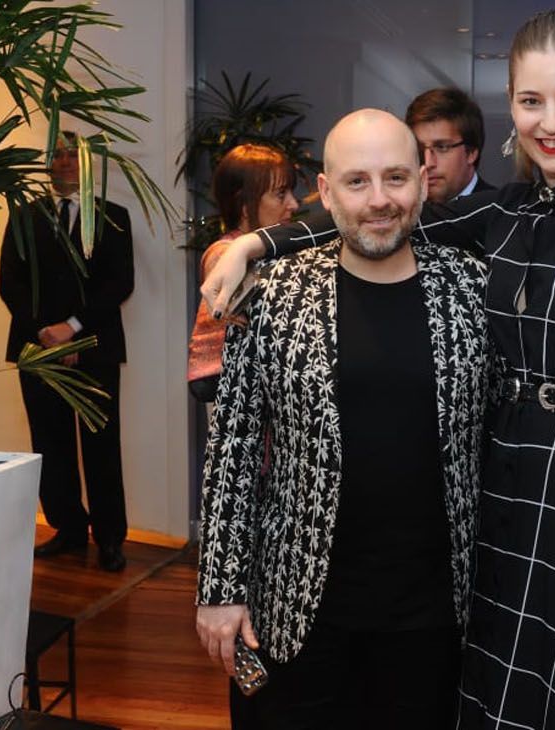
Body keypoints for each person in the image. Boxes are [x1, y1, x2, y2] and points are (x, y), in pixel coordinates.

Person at [202, 9, 555, 727]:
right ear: (510, 106)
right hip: (504, 508)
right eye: (532, 101)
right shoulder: (502, 216)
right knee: (504, 698)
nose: (552, 122)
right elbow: (375, 214)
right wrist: (256, 243)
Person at [195, 109, 492, 729]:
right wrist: (221, 588)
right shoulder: (273, 293)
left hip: (434, 621)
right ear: (326, 193)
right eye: (357, 182)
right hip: (296, 610)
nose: (379, 200)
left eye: (395, 178)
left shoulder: (473, 289)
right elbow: (233, 445)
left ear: (422, 180)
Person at [0, 131, 135, 573]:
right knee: (50, 444)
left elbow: (119, 284)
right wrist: (45, 334)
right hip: (38, 351)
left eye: (70, 155)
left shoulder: (114, 218)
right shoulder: (23, 218)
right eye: (55, 155)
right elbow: (10, 284)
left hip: (94, 349)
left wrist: (73, 332)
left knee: (101, 446)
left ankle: (110, 538)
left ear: (87, 163)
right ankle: (68, 528)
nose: (62, 163)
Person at [187, 144, 300, 402]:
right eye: (280, 194)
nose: (293, 204)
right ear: (245, 204)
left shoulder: (274, 252)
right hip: (234, 398)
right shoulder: (224, 254)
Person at [405, 87, 494, 203]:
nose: (427, 163)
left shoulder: (500, 214)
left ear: (471, 152)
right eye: (419, 149)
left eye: (442, 147)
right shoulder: (405, 212)